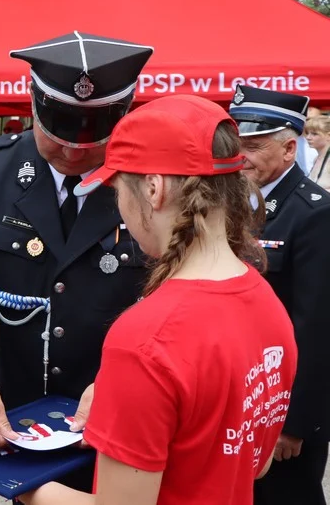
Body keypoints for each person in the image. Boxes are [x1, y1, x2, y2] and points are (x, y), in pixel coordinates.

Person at [20, 95, 298, 505]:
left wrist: (27, 488)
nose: (118, 207)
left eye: (118, 189)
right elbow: (255, 462)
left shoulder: (145, 338)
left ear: (153, 188)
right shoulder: (265, 300)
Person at [0, 32, 154, 493]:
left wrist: (128, 379)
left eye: (93, 141)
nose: (73, 153)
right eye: (59, 134)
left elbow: (184, 292)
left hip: (128, 411)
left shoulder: (153, 179)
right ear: (34, 105)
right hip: (22, 414)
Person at [227, 85, 330, 505]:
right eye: (236, 145)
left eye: (252, 146)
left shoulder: (315, 214)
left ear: (289, 149)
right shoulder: (232, 202)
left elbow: (317, 328)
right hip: (236, 393)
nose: (240, 156)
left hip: (280, 406)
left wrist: (294, 422)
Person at [304, 115, 330, 191]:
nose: (308, 137)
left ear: (328, 136)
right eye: (307, 133)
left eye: (314, 134)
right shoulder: (316, 159)